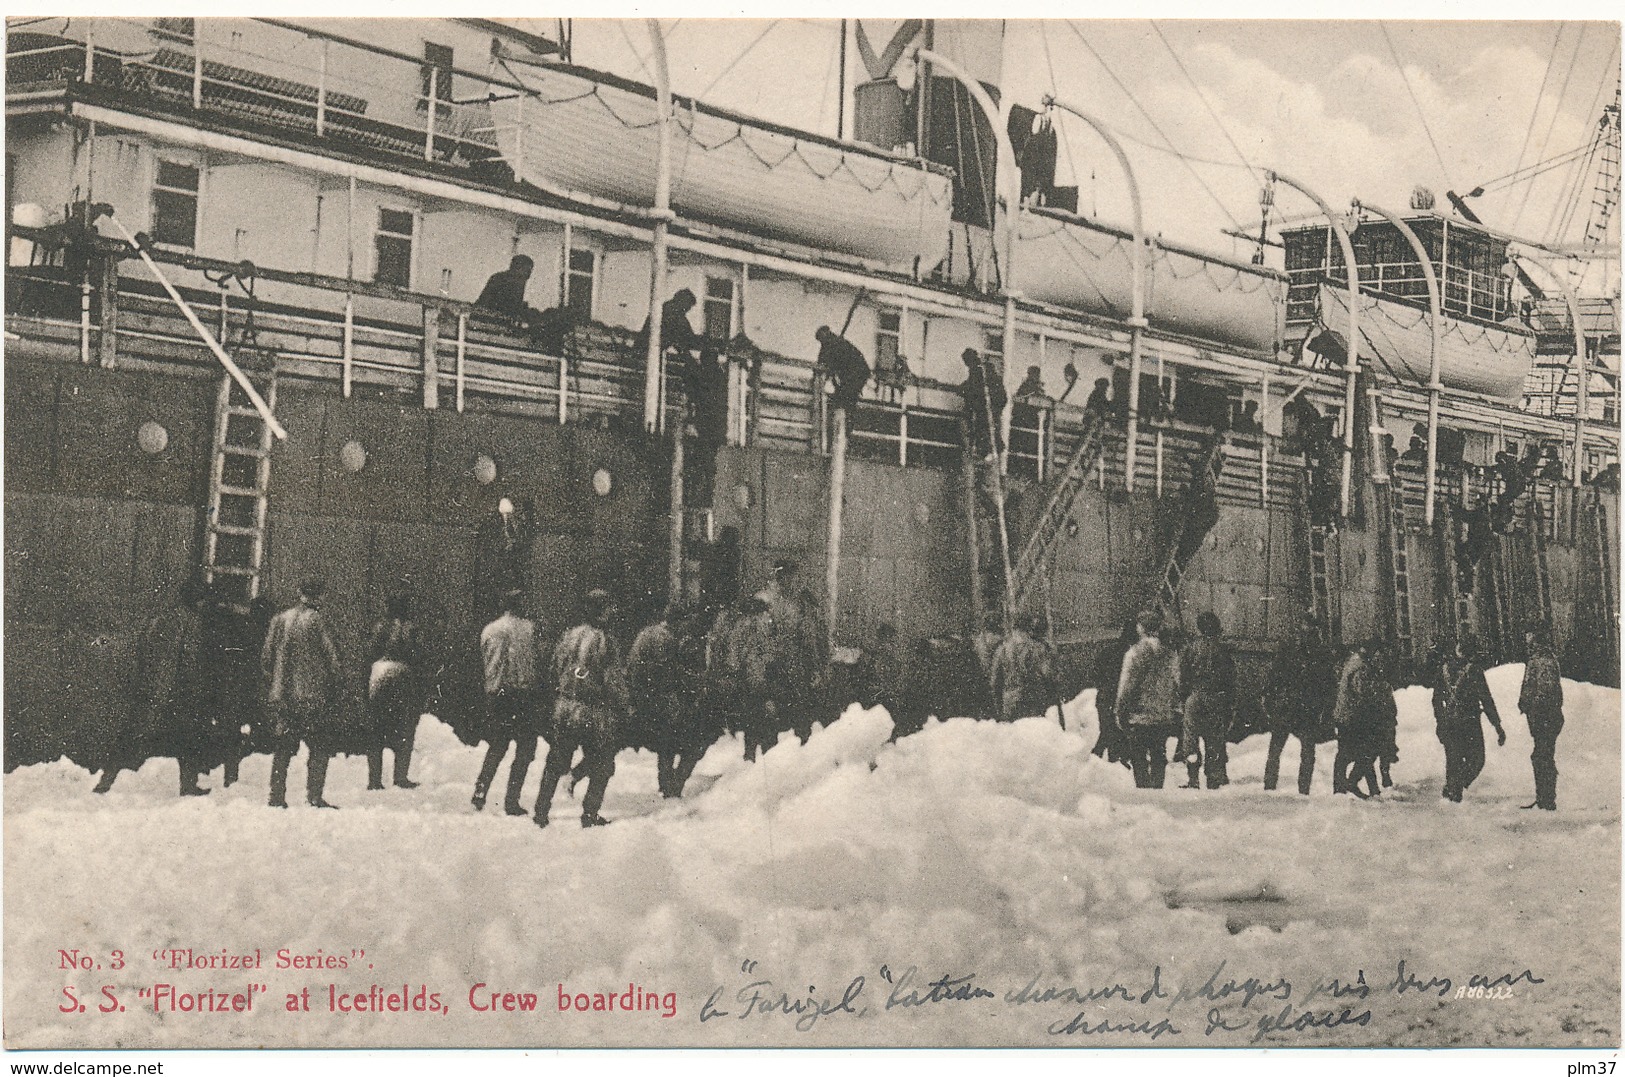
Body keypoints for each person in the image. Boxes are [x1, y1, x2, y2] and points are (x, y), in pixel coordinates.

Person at [96, 579, 215, 797]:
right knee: (189, 739)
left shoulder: (163, 618)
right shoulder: (191, 621)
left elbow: (145, 649)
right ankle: (188, 786)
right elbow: (189, 659)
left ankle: (106, 781)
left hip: (153, 688)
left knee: (131, 736)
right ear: (198, 600)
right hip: (176, 692)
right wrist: (196, 689)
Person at [535, 589, 625, 828]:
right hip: (591, 710)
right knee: (603, 761)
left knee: (556, 759)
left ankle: (541, 810)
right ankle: (590, 813)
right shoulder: (605, 641)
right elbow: (612, 679)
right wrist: (622, 703)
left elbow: (554, 667)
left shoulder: (568, 637)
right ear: (601, 612)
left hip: (564, 705)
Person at [262, 580, 344, 810]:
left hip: (282, 694)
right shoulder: (318, 621)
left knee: (283, 747)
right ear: (320, 597)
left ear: (299, 593)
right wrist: (335, 684)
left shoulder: (279, 619)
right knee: (319, 744)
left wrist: (275, 684)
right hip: (310, 694)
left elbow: (266, 658)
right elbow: (332, 658)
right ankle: (314, 796)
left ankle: (276, 795)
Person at [473, 590, 545, 815]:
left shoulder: (489, 629)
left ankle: (480, 791)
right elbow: (538, 660)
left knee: (497, 745)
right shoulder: (530, 629)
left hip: (496, 694)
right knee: (524, 749)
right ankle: (511, 801)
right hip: (523, 694)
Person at [628, 602, 699, 799]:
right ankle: (671, 787)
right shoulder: (665, 639)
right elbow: (667, 672)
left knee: (666, 743)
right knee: (686, 742)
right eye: (686, 623)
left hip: (641, 695)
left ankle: (666, 783)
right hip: (659, 697)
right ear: (679, 622)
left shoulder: (647, 633)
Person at [1261, 617, 1336, 794]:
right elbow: (1329, 685)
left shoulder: (1290, 650)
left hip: (1288, 707)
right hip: (1305, 709)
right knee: (1305, 752)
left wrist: (1270, 699)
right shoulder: (1321, 653)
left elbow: (1273, 677)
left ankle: (1270, 786)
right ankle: (1302, 790)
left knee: (1277, 749)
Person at [1430, 633, 1506, 803]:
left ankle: (1452, 792)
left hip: (1449, 722)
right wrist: (1498, 726)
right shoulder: (1475, 671)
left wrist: (1440, 722)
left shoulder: (1443, 669)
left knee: (1453, 761)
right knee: (1477, 760)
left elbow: (1436, 700)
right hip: (1470, 723)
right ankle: (1454, 790)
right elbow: (1486, 700)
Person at [757, 560, 826, 746]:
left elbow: (808, 638)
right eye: (789, 577)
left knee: (800, 717)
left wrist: (813, 667)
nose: (793, 582)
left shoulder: (798, 603)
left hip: (794, 667)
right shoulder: (765, 601)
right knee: (768, 718)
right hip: (769, 668)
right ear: (780, 577)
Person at [365, 590, 427, 791]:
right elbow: (419, 655)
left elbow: (370, 651)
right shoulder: (412, 628)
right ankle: (400, 776)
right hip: (403, 672)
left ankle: (374, 779)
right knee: (404, 727)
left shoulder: (379, 627)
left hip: (379, 671)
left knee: (376, 728)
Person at [1116, 610, 1178, 789]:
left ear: (1141, 627)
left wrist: (1121, 709)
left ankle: (1143, 788)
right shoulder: (1170, 653)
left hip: (1139, 713)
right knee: (1159, 752)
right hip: (1162, 712)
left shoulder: (1134, 652)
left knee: (1139, 754)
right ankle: (1157, 786)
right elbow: (1177, 681)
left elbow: (1126, 684)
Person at [1175, 611, 1236, 790]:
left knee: (1191, 740)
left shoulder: (1190, 648)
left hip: (1194, 698)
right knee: (1215, 739)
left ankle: (1193, 778)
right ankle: (1214, 778)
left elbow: (1182, 676)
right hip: (1217, 698)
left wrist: (1183, 698)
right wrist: (1230, 704)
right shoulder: (1223, 650)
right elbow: (1231, 679)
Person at [1330, 638, 1393, 799]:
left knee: (1355, 753)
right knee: (1364, 752)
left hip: (1346, 716)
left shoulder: (1354, 663)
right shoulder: (1361, 668)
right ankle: (1348, 785)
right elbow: (1364, 693)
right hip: (1354, 717)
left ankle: (1351, 787)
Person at [1518, 628, 1564, 811]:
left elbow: (1544, 692)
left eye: (1529, 634)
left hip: (1545, 717)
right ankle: (1544, 797)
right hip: (1542, 717)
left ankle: (1546, 800)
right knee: (1541, 756)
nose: (1526, 638)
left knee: (1542, 756)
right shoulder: (1537, 659)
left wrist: (1532, 708)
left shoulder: (1543, 661)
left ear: (1536, 638)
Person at [990, 614, 1060, 724]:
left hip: (1010, 703)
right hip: (1033, 701)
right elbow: (1048, 675)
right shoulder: (1038, 648)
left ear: (1013, 628)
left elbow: (995, 683)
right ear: (1029, 629)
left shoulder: (1002, 650)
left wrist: (1000, 710)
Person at [684, 345, 730, 508]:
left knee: (701, 466)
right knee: (710, 468)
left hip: (705, 431)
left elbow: (695, 383)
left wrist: (684, 352)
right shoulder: (721, 376)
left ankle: (699, 499)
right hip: (716, 432)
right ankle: (708, 499)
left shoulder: (706, 376)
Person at [1091, 619, 1139, 764]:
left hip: (1105, 697)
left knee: (1108, 730)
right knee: (1117, 732)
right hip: (1120, 697)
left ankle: (1100, 756)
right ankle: (1106, 758)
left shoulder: (1108, 650)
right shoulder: (1132, 654)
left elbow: (1095, 674)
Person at [961, 348, 1007, 461]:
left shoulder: (976, 370)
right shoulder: (986, 369)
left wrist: (962, 389)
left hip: (986, 406)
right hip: (994, 405)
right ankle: (992, 452)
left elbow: (973, 386)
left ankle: (986, 453)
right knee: (992, 428)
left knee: (982, 428)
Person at [814, 325, 872, 413]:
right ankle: (843, 415)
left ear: (826, 334)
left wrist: (829, 374)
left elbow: (835, 363)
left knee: (848, 397)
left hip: (857, 372)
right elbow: (822, 361)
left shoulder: (838, 343)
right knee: (842, 396)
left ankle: (847, 418)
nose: (821, 341)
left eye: (822, 338)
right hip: (849, 374)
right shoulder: (827, 345)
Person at [855, 622, 905, 718]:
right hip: (877, 701)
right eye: (889, 640)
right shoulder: (872, 657)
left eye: (892, 641)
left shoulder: (890, 658)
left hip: (885, 699)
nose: (891, 645)